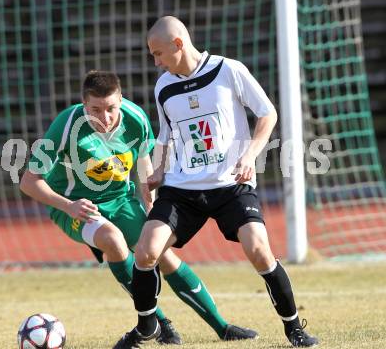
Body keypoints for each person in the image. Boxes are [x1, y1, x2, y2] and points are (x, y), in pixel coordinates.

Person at [113, 16, 319, 348]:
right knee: (147, 251)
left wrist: (250, 154)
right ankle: (145, 327)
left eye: (158, 53)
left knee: (259, 250)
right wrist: (160, 170)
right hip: (182, 189)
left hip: (230, 185)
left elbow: (267, 113)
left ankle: (294, 328)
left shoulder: (229, 70)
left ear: (178, 44)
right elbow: (166, 134)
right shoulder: (164, 85)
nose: (155, 61)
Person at [19, 70, 257, 345]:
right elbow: (28, 181)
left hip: (122, 199)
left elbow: (144, 159)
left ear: (120, 100)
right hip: (75, 207)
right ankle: (157, 323)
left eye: (111, 108)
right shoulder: (65, 125)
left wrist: (149, 197)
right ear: (84, 105)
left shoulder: (135, 118)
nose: (104, 118)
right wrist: (68, 205)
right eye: (95, 109)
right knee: (113, 240)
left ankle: (222, 327)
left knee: (161, 255)